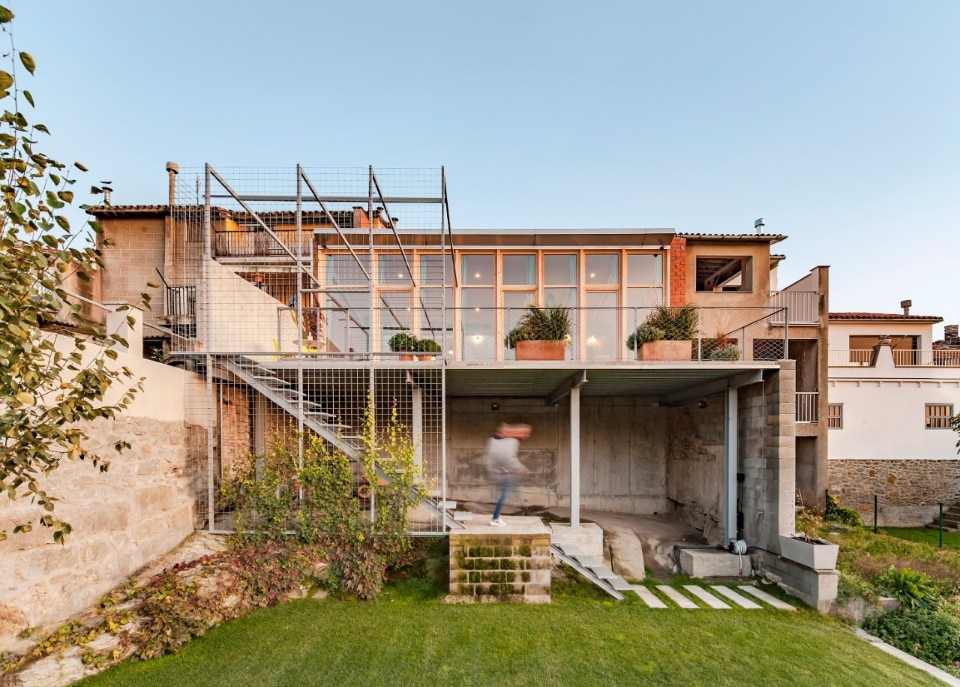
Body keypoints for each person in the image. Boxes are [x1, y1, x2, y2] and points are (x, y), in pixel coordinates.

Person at [485, 422, 531, 527]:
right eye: (525, 433)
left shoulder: (495, 441)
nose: (526, 436)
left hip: (501, 472)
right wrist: (521, 468)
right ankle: (495, 518)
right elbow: (509, 459)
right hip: (503, 474)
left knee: (504, 494)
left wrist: (492, 470)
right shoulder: (512, 441)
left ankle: (496, 516)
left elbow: (492, 457)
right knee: (504, 495)